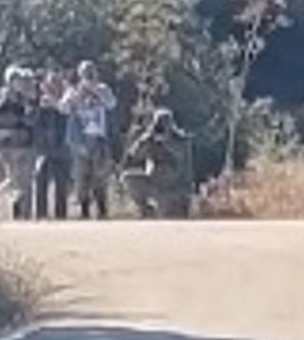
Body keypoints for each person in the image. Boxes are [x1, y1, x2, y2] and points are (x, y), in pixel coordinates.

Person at [59, 60, 117, 219]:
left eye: (91, 72)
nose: (89, 75)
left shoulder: (103, 89)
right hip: (80, 139)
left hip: (98, 139)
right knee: (81, 175)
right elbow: (62, 108)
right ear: (80, 75)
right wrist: (75, 97)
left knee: (101, 175)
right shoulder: (73, 91)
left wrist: (95, 90)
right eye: (85, 73)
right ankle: (84, 209)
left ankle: (102, 209)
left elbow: (111, 103)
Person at [0, 65, 37, 220]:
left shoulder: (27, 98)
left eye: (19, 80)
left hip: (19, 145)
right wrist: (8, 98)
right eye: (14, 79)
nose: (17, 83)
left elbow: (31, 120)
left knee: (20, 181)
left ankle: (19, 213)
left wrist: (25, 102)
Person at [122, 107, 193, 218]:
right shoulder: (150, 139)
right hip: (153, 181)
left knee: (167, 214)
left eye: (165, 123)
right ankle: (145, 207)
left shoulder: (180, 139)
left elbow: (180, 156)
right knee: (128, 177)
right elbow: (134, 155)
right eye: (159, 123)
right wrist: (145, 140)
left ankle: (164, 203)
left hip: (174, 184)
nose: (162, 126)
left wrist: (166, 142)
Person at [32, 68, 72, 220]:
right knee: (40, 178)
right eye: (50, 83)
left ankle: (61, 216)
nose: (53, 86)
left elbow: (66, 111)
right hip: (43, 149)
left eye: (56, 83)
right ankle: (40, 215)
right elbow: (31, 120)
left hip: (62, 148)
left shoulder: (66, 99)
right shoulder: (38, 101)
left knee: (61, 184)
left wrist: (53, 103)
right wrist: (39, 107)